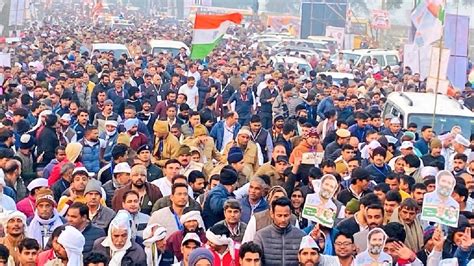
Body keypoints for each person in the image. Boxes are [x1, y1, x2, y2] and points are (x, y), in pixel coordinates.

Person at [254, 197, 305, 265]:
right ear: (272, 214)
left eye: (286, 215)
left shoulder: (302, 236)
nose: (283, 219)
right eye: (279, 215)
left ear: (290, 214)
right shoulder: (260, 236)